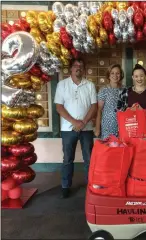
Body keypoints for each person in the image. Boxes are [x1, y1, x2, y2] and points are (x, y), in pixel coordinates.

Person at [54, 59, 97, 198]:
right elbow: (59, 107)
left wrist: (83, 122)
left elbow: (94, 106)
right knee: (67, 159)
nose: (78, 67)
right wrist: (74, 122)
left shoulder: (89, 85)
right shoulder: (62, 85)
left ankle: (91, 186)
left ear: (83, 69)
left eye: (81, 65)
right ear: (71, 69)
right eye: (75, 66)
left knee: (89, 159)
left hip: (87, 128)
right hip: (68, 129)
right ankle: (65, 186)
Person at [117, 64, 146, 139]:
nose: (139, 79)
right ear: (132, 77)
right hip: (130, 132)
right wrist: (130, 110)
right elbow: (119, 110)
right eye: (136, 76)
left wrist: (142, 111)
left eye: (141, 76)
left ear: (145, 76)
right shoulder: (125, 92)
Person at [95, 64, 124, 140]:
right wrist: (97, 129)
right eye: (112, 73)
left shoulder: (125, 89)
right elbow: (99, 110)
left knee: (121, 150)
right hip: (107, 128)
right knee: (109, 150)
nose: (115, 75)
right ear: (108, 75)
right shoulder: (103, 90)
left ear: (121, 75)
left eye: (117, 73)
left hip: (122, 127)